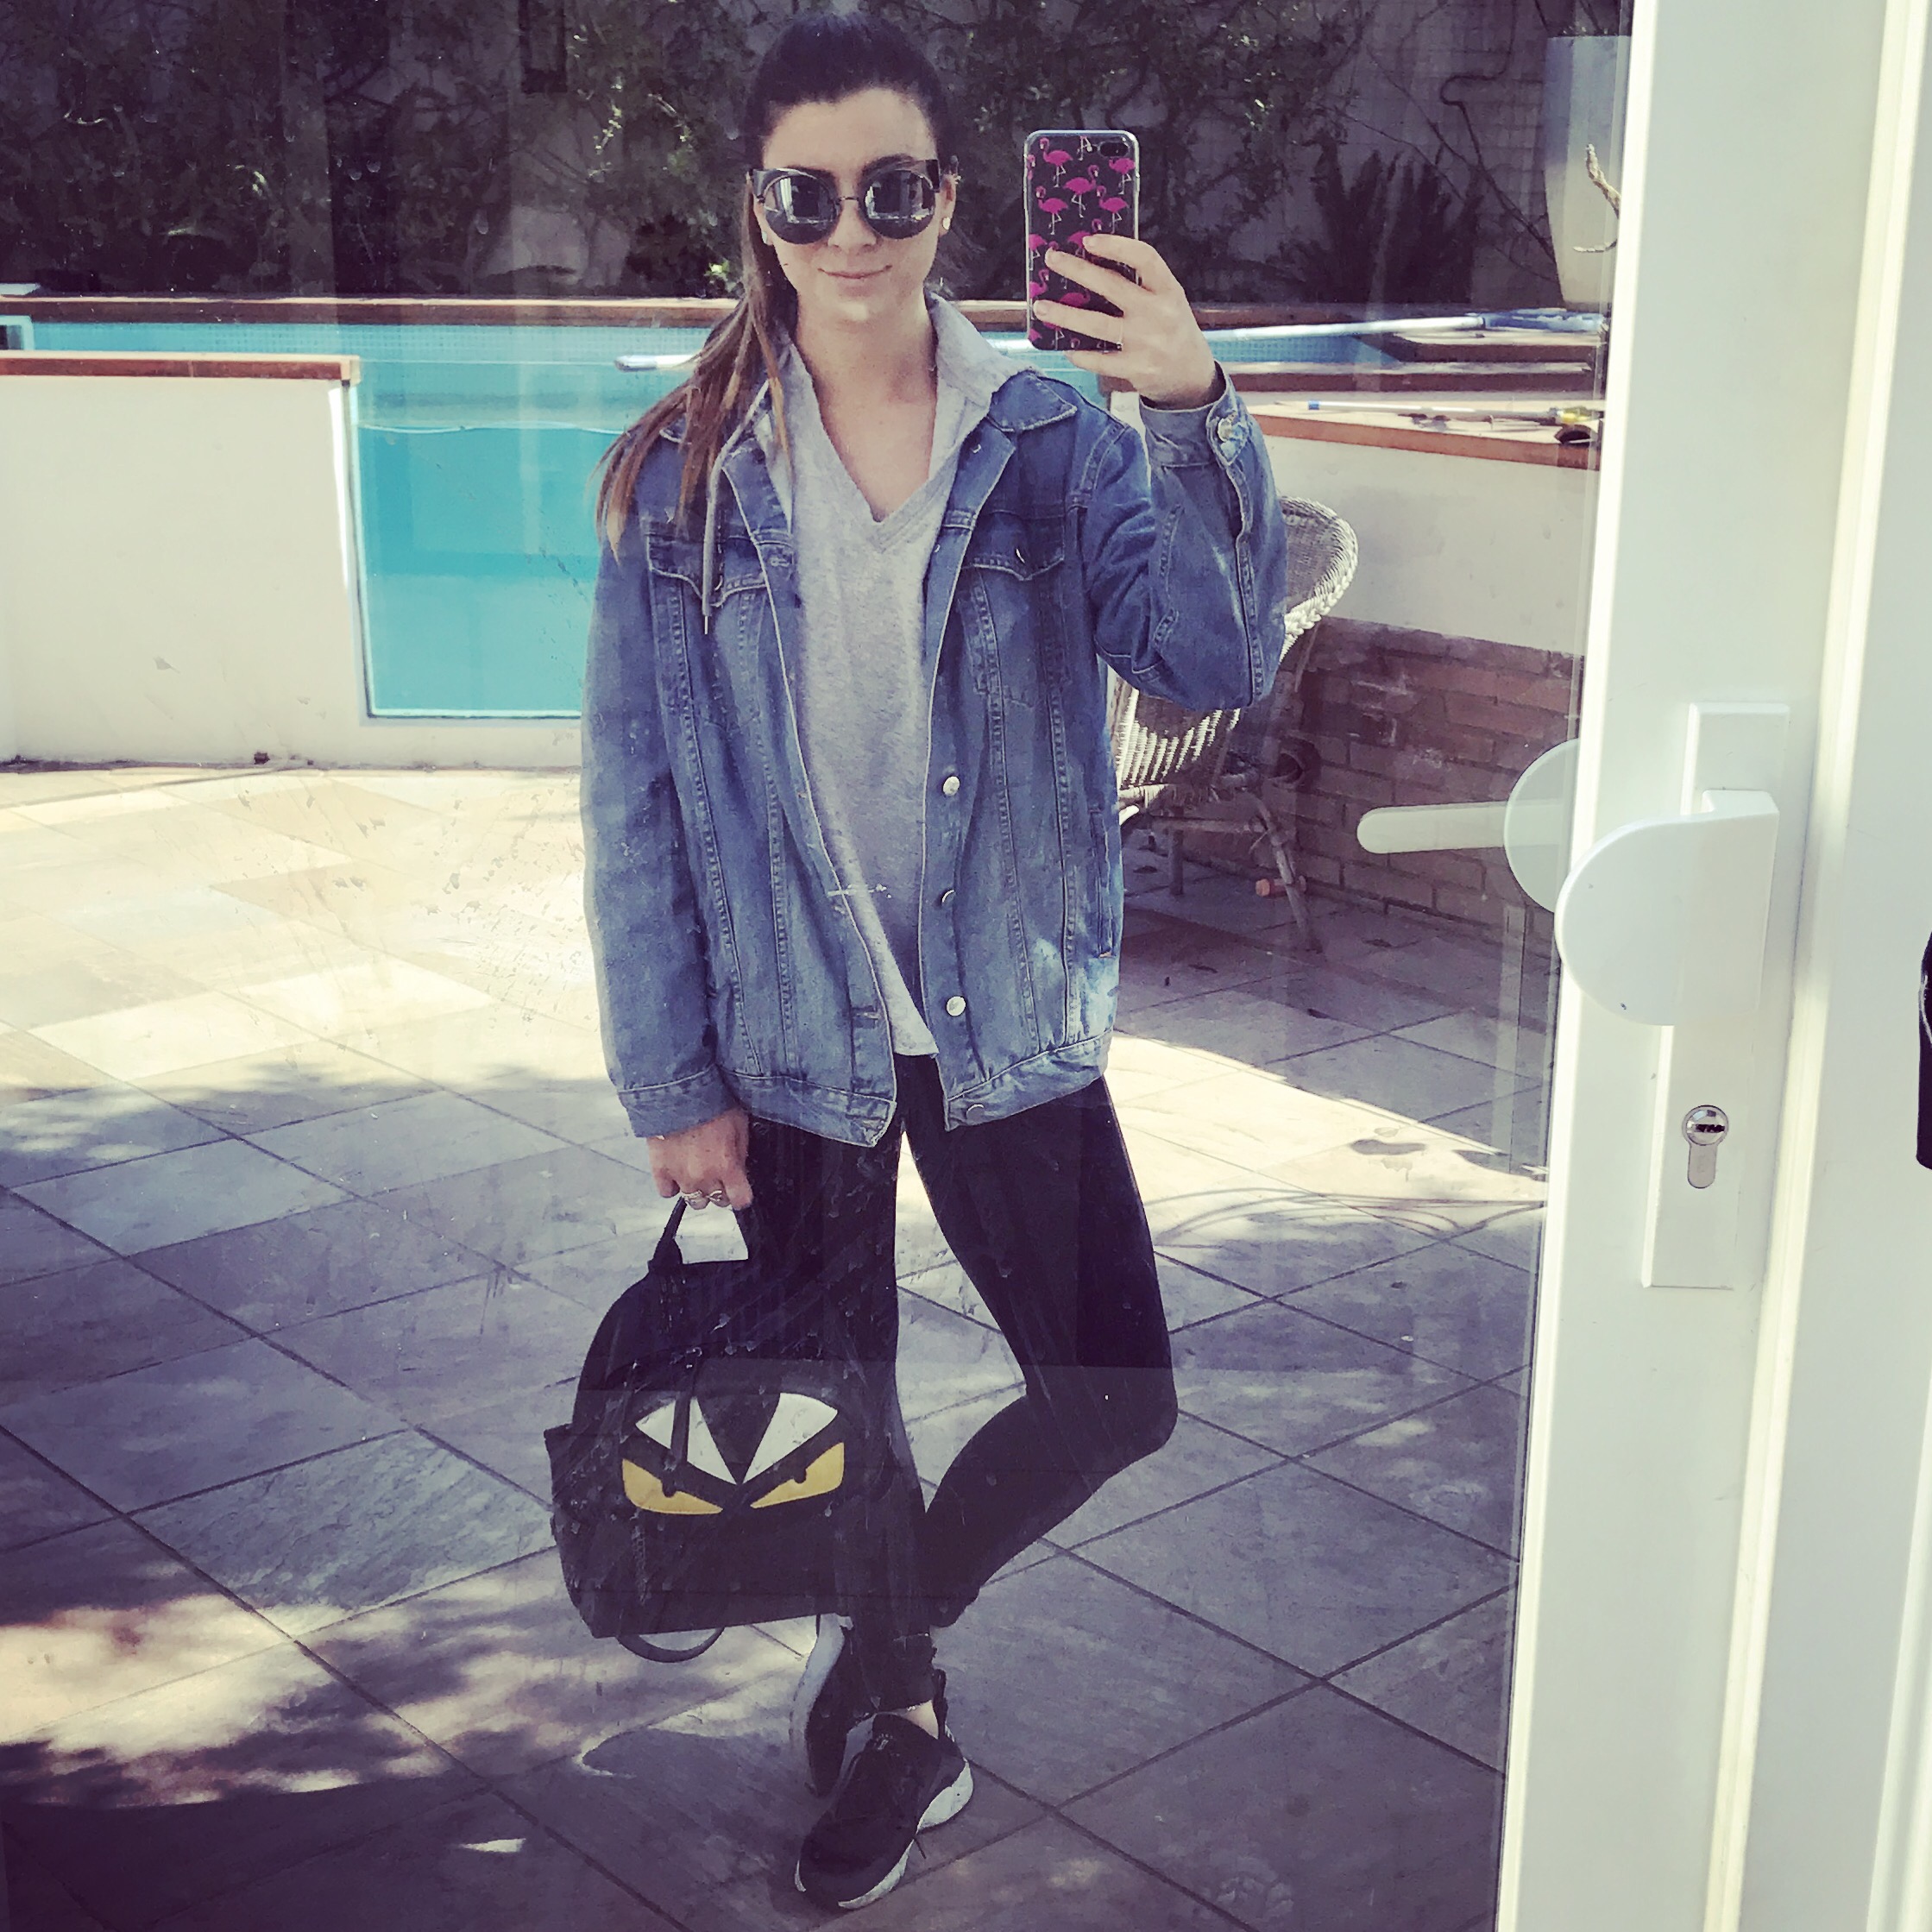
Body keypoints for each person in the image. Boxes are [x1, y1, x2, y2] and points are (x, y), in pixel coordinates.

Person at [582, 10, 1291, 1910]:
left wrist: (1191, 408)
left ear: (951, 202)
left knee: (1114, 1391)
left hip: (1006, 1018)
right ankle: (900, 1719)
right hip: (794, 1034)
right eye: (807, 196)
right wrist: (672, 1081)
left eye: (891, 191)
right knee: (850, 1407)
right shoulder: (684, 475)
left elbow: (1212, 661)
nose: (852, 232)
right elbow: (633, 799)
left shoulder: (1049, 438)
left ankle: (893, 1622)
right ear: (758, 210)